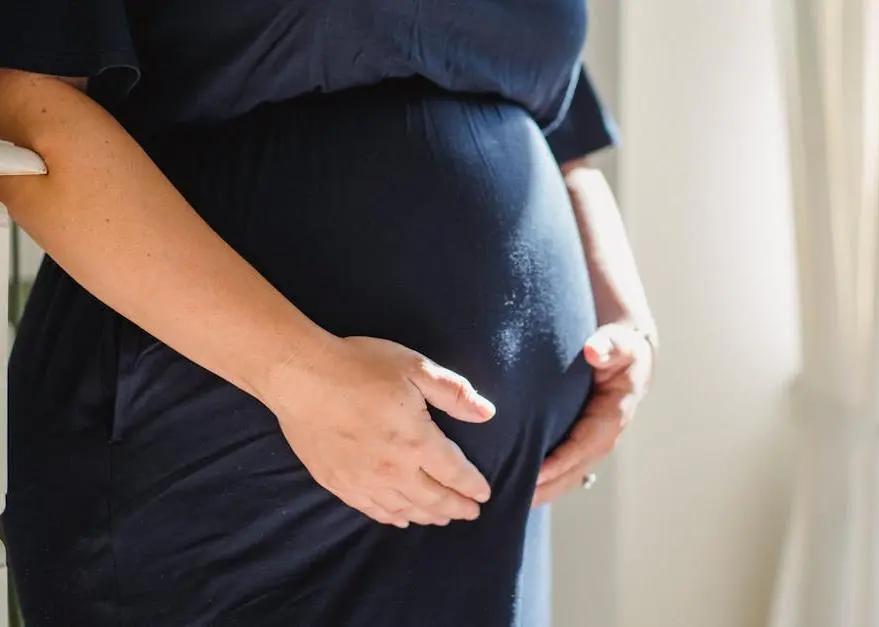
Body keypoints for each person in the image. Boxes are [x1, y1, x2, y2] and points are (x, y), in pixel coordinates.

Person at [0, 1, 656, 625]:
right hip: (222, 487)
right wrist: (302, 374)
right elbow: (26, 120)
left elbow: (563, 141)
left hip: (488, 518)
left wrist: (628, 324)